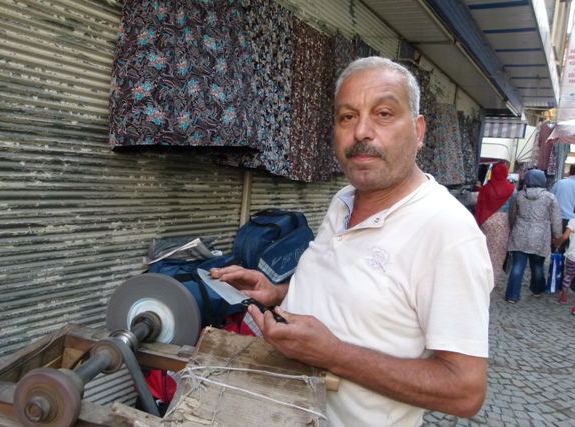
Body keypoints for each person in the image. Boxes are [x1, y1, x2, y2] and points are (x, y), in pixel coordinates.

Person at [211, 56, 493, 426]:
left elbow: (465, 391)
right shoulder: (343, 200)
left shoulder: (448, 232)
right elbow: (348, 294)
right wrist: (277, 293)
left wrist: (334, 355)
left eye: (383, 114)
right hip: (285, 411)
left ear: (419, 130)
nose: (361, 131)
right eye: (347, 116)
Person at [505, 170, 562, 303]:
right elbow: (556, 219)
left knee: (517, 265)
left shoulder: (519, 196)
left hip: (520, 233)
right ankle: (537, 289)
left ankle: (512, 295)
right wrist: (557, 236)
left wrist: (513, 228)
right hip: (540, 236)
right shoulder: (550, 198)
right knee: (537, 265)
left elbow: (512, 215)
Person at [474, 163, 516, 285]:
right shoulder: (511, 189)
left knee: (484, 249)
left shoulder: (486, 188)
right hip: (503, 222)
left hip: (486, 220)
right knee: (498, 252)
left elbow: (479, 206)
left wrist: (477, 222)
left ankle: (480, 275)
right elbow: (514, 208)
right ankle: (492, 279)